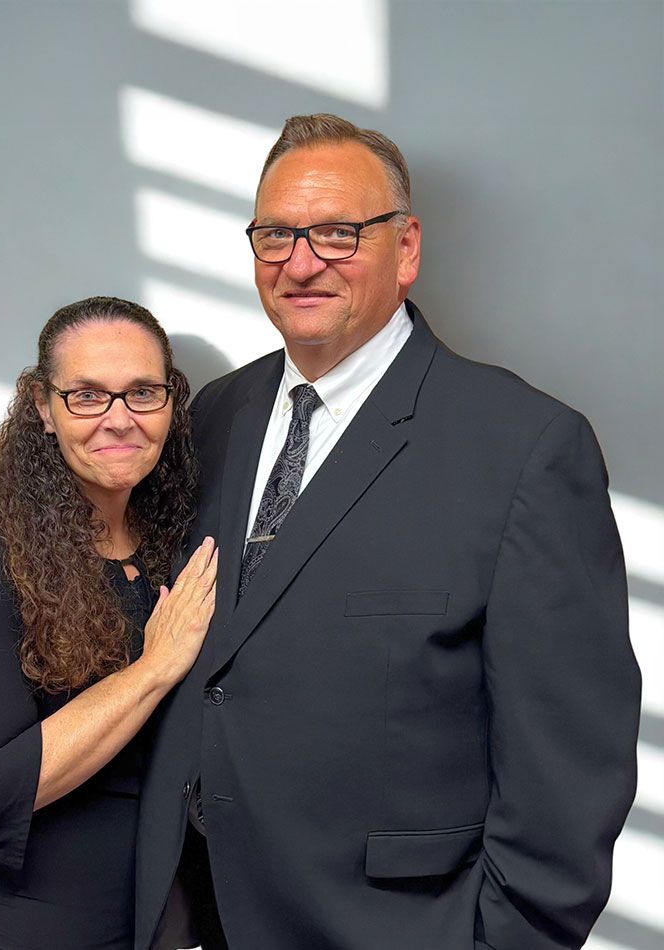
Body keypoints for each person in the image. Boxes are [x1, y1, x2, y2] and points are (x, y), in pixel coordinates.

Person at [134, 116, 642, 950]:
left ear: (406, 249)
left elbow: (569, 771)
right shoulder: (214, 416)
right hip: (206, 916)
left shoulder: (523, 448)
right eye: (276, 235)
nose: (301, 262)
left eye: (337, 233)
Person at [0, 296, 217, 950]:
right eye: (87, 396)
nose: (119, 419)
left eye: (142, 393)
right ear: (44, 409)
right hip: (18, 934)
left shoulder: (167, 535)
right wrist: (154, 669)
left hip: (149, 927)